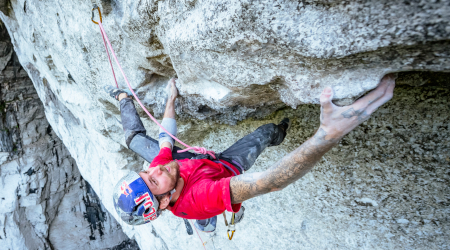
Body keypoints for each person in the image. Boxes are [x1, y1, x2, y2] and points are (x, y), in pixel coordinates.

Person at [109, 74, 396, 232]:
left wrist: (171, 97)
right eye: (154, 181)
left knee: (137, 142)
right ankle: (279, 133)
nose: (156, 169)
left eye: (146, 170)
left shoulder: (160, 172)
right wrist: (326, 135)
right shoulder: (200, 197)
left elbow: (164, 140)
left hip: (199, 171)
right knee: (266, 132)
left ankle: (206, 221)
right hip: (224, 169)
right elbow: (272, 181)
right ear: (161, 202)